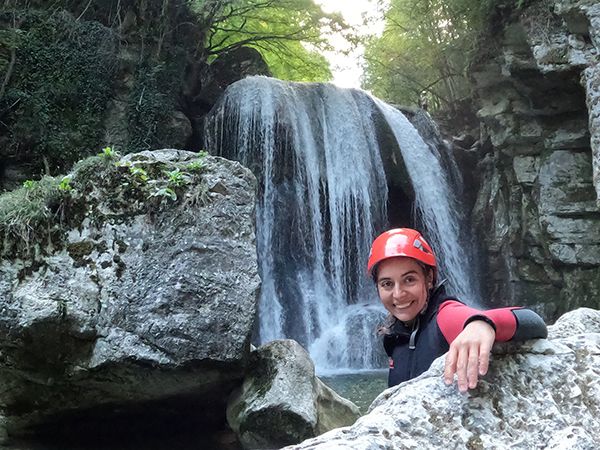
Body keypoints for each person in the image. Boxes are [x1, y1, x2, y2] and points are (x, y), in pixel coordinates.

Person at [368, 228, 547, 392]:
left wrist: (481, 324)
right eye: (387, 284)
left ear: (429, 278)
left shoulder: (444, 316)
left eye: (409, 280)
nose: (398, 294)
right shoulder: (395, 336)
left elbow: (532, 320)